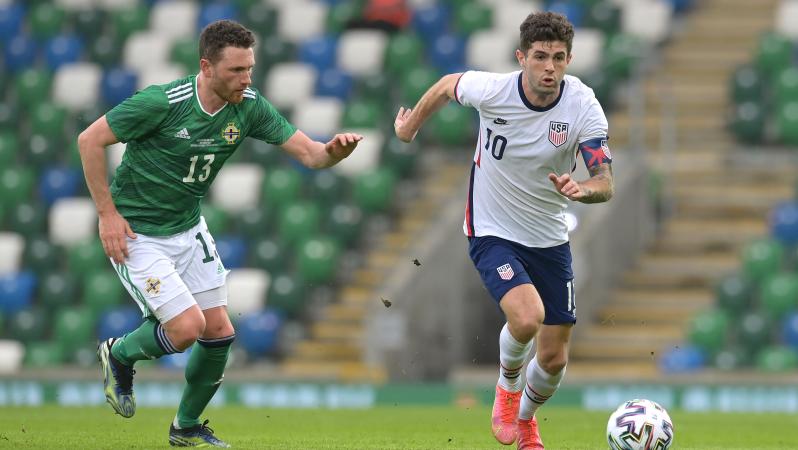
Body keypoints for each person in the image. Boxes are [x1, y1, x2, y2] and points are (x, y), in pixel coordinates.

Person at [77, 20, 362, 448]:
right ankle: (118, 354)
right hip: (138, 234)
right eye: (236, 70)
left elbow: (311, 155)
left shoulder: (249, 105)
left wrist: (334, 153)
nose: (246, 79)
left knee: (219, 332)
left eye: (250, 68)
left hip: (188, 228)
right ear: (207, 67)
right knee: (186, 329)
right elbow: (89, 140)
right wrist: (107, 215)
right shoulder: (162, 102)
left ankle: (186, 427)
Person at [394, 12, 614, 450]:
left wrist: (582, 189)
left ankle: (527, 420)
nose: (549, 67)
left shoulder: (583, 105)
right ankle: (507, 389)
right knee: (527, 316)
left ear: (569, 60)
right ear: (521, 58)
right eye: (540, 57)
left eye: (558, 58)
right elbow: (446, 85)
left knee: (554, 358)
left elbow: (605, 182)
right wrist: (410, 127)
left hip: (549, 237)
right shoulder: (493, 90)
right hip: (491, 229)